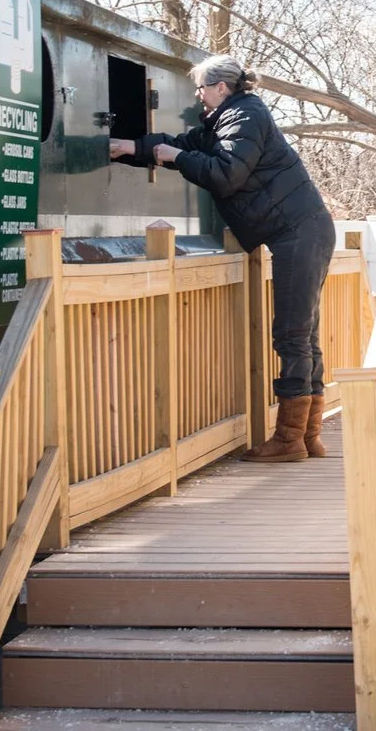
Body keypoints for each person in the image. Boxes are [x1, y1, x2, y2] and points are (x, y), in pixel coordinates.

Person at [109, 54, 336, 463]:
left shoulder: (244, 116)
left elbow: (225, 174)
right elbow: (183, 145)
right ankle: (307, 437)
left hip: (299, 232)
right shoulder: (227, 119)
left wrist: (172, 158)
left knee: (292, 336)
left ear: (220, 88)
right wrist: (132, 148)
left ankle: (290, 439)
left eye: (201, 87)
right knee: (302, 335)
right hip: (302, 230)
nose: (197, 94)